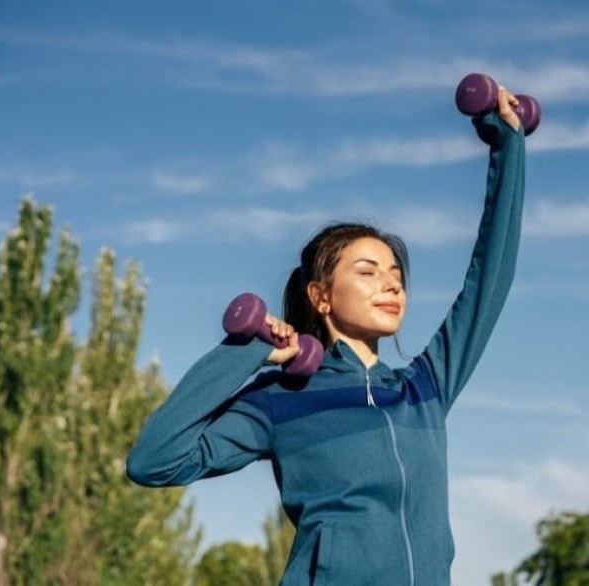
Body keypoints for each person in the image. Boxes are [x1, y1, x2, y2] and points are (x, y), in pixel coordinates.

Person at [127, 86, 526, 586]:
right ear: (321, 296)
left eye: (395, 273)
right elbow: (154, 461)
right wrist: (247, 353)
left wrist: (508, 151)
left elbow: (490, 279)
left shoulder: (424, 388)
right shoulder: (282, 399)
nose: (391, 282)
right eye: (367, 271)